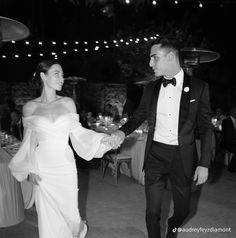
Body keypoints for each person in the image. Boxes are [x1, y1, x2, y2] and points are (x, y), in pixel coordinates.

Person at [111, 36, 213, 238]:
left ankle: (172, 231)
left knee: (183, 211)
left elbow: (206, 127)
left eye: (154, 58)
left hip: (182, 157)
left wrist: (205, 163)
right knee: (152, 211)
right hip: (155, 154)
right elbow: (138, 115)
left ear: (171, 57)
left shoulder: (200, 87)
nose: (150, 63)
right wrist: (121, 131)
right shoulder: (150, 88)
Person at [8, 60, 115, 238]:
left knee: (70, 212)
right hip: (42, 168)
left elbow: (79, 133)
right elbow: (29, 142)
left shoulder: (68, 103)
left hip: (65, 166)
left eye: (62, 74)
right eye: (57, 73)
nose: (62, 78)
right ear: (43, 76)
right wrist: (31, 168)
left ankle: (78, 229)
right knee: (47, 215)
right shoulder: (29, 107)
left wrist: (103, 140)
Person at [222, 105, 236, 172]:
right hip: (228, 143)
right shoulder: (226, 121)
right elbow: (226, 134)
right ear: (232, 112)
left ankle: (232, 166)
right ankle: (231, 167)